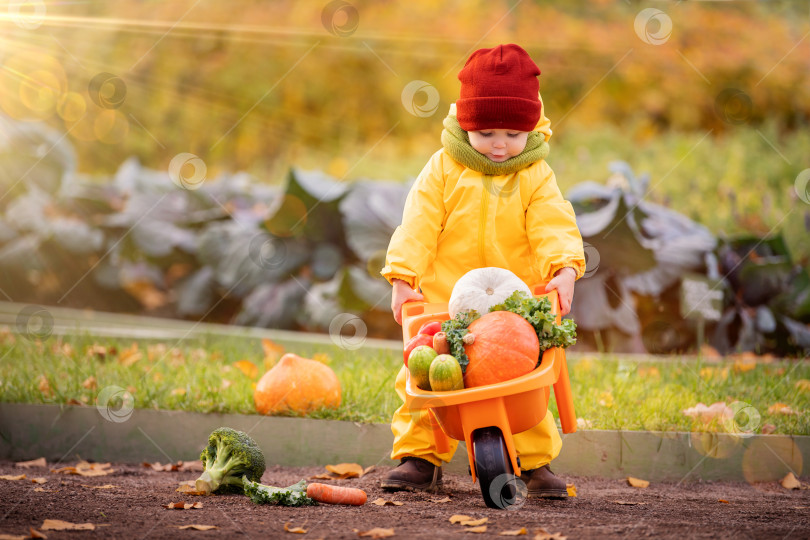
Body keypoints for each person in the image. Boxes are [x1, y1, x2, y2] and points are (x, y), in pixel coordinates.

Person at [379, 44, 586, 497]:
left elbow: (553, 223)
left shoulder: (534, 174)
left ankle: (534, 463)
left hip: (512, 307)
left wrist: (564, 268)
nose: (499, 144)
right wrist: (402, 276)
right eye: (487, 131)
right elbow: (418, 224)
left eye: (512, 133)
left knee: (523, 381)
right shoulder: (443, 169)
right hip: (445, 300)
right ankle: (419, 456)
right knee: (426, 372)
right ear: (465, 123)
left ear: (530, 128)